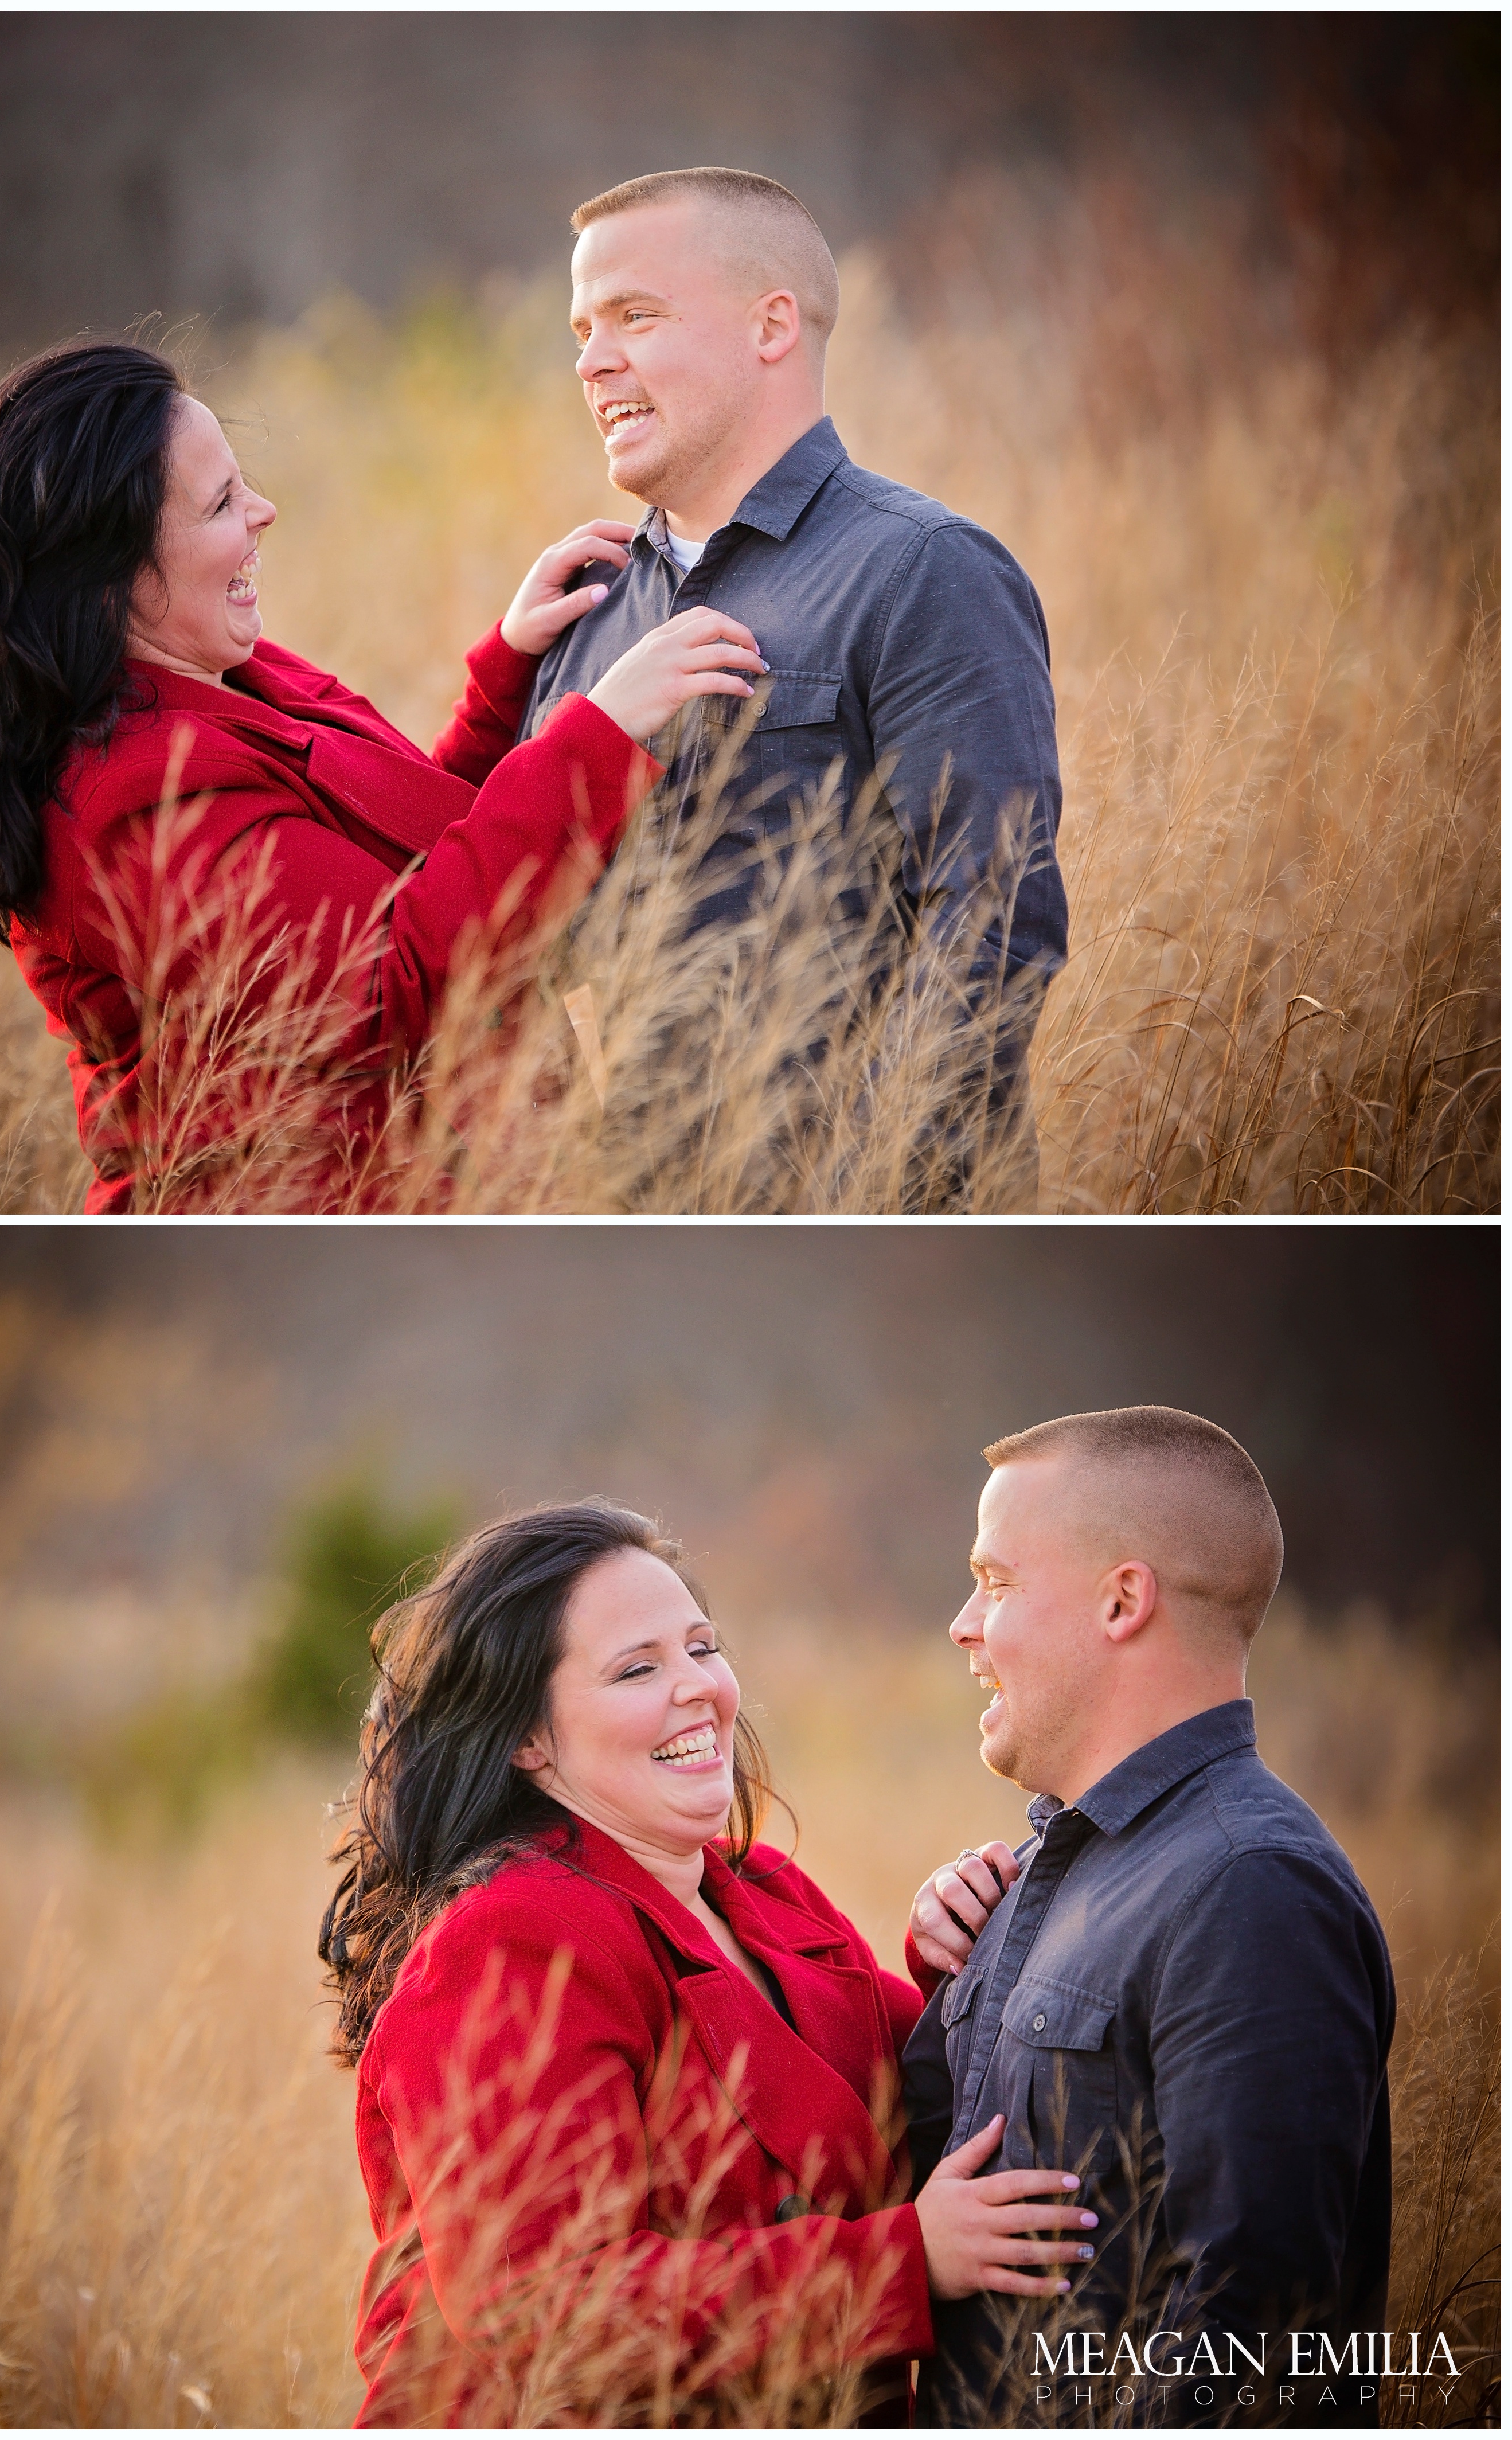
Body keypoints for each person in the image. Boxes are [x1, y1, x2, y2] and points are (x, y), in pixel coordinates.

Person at [0, 338, 766, 1211]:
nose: (263, 512)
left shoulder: (226, 674)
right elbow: (383, 982)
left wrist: (507, 678)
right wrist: (598, 739)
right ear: (112, 568)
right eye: (222, 503)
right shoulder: (122, 799)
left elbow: (389, 871)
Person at [322, 1500, 1097, 2426]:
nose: (699, 1688)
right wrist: (903, 2261)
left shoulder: (764, 1892)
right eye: (637, 1669)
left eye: (702, 1647)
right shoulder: (509, 1942)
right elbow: (543, 2307)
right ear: (527, 1738)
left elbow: (927, 2115)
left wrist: (955, 1962)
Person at [519, 166, 1068, 1200]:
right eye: (582, 330)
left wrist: (861, 1197)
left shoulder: (924, 570)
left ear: (772, 327)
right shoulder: (580, 618)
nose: (594, 362)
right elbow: (516, 939)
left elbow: (992, 921)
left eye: (635, 315)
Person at [900, 1408, 1396, 2429]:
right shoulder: (1045, 1865)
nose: (964, 1623)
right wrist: (935, 1975)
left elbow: (1261, 2329)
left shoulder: (1249, 1886)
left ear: (1124, 1601)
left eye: (996, 1583)